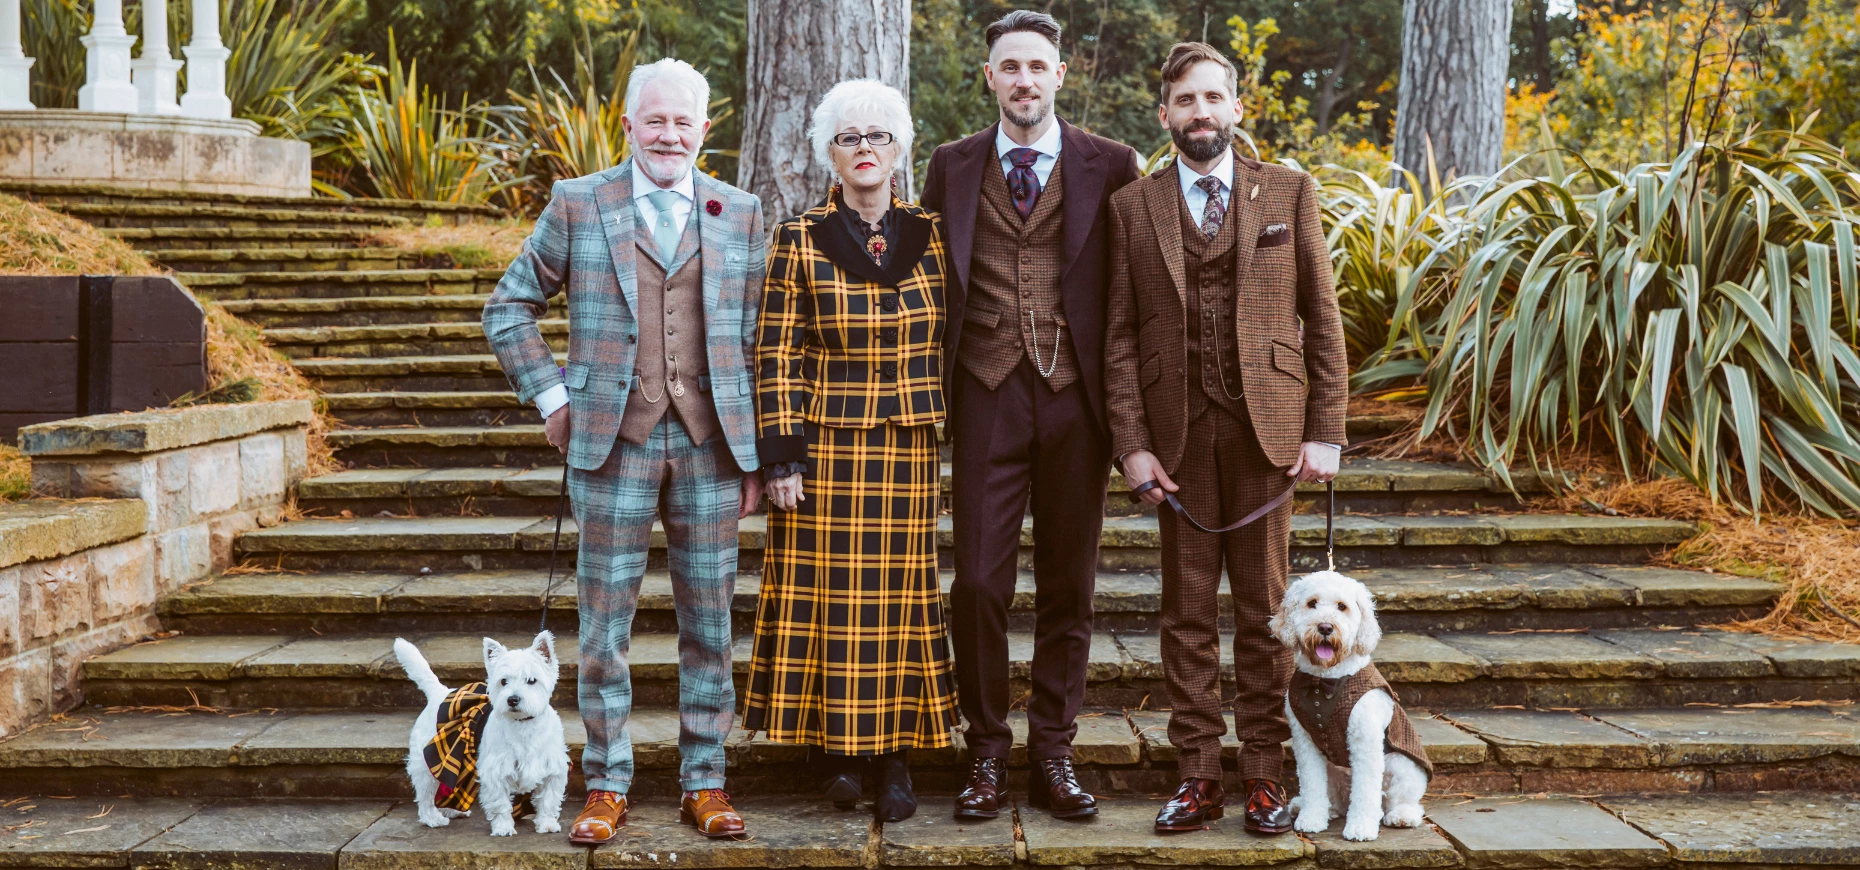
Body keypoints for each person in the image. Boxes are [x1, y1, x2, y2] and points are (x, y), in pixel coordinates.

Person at [481, 57, 765, 844]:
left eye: (685, 121)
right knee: (603, 629)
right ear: (629, 124)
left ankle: (705, 781)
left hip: (712, 449)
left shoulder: (739, 211)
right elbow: (508, 307)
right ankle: (605, 784)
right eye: (656, 119)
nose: (669, 133)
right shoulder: (580, 203)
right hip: (611, 448)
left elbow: (758, 339)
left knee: (710, 625)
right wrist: (554, 397)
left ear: (706, 130)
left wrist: (758, 453)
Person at [1102, 42, 1347, 835]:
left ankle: (1266, 776)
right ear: (1165, 114)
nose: (1200, 113)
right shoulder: (1132, 208)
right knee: (1183, 614)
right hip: (1177, 438)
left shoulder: (1289, 190)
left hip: (1265, 433)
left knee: (1267, 612)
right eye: (1185, 101)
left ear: (1236, 108)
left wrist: (1326, 430)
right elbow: (1119, 338)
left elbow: (1324, 318)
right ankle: (1199, 775)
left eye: (1214, 98)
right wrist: (1132, 443)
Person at [917, 9, 1142, 822]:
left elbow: (1136, 288)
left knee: (1068, 587)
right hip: (982, 391)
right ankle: (985, 750)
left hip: (1078, 401)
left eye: (1037, 66)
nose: (1023, 80)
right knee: (976, 581)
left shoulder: (1112, 164)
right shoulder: (950, 164)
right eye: (1009, 66)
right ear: (990, 78)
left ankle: (1053, 751)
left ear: (1059, 74)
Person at [742, 79, 957, 824]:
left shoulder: (933, 233)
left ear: (900, 148)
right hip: (824, 448)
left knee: (898, 604)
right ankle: (834, 753)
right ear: (829, 154)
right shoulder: (798, 237)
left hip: (907, 448)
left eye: (878, 137)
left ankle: (895, 756)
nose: (864, 150)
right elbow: (775, 354)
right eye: (848, 138)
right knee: (828, 601)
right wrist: (780, 458)